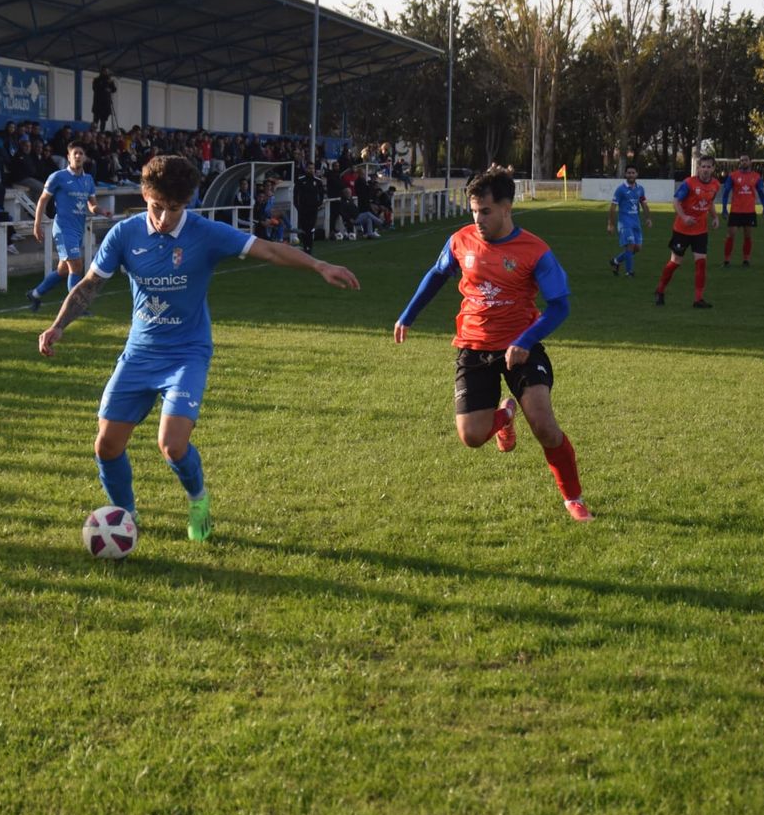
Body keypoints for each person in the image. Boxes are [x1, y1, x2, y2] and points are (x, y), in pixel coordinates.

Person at [36, 154, 359, 540]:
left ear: (187, 203)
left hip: (187, 353)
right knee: (106, 445)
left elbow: (270, 250)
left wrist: (319, 265)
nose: (165, 217)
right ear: (144, 195)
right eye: (157, 207)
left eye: (175, 209)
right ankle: (126, 517)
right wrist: (58, 325)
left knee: (171, 446)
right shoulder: (124, 234)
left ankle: (198, 498)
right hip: (140, 353)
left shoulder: (207, 233)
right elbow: (89, 284)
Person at [393, 166, 591, 523]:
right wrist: (408, 315)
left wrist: (526, 340)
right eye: (473, 211)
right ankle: (504, 416)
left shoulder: (535, 251)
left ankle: (573, 499)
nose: (478, 219)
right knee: (471, 437)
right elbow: (437, 274)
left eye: (485, 211)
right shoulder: (461, 240)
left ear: (506, 207)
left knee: (544, 425)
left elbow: (560, 306)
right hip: (473, 346)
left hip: (521, 347)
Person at [27, 140, 100, 311]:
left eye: (81, 153)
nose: (78, 156)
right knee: (77, 266)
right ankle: (75, 307)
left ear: (85, 157)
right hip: (62, 228)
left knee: (63, 270)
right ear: (68, 157)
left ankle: (36, 294)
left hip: (78, 229)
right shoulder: (58, 177)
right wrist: (37, 224)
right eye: (75, 153)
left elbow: (92, 205)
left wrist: (101, 210)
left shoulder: (88, 180)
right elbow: (43, 200)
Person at [654, 155, 721, 308]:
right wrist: (683, 217)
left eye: (708, 166)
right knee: (676, 262)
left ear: (713, 168)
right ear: (698, 168)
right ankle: (660, 290)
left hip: (700, 230)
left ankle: (698, 299)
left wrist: (715, 217)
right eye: (703, 166)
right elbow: (676, 201)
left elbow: (709, 203)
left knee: (701, 262)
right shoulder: (689, 183)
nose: (705, 169)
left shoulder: (716, 185)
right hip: (682, 230)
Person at [720, 155, 764, 267]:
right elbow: (726, 192)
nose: (743, 162)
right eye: (741, 160)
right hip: (735, 210)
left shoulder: (756, 176)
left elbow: (761, 193)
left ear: (750, 162)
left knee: (748, 236)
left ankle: (746, 260)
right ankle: (726, 260)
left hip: (749, 211)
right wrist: (724, 208)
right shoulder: (733, 176)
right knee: (730, 235)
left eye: (746, 160)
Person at [607, 165, 650, 276]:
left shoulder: (640, 189)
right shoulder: (620, 190)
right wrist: (610, 224)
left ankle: (616, 261)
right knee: (630, 245)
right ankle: (629, 272)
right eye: (629, 173)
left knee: (637, 248)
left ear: (636, 174)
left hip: (636, 222)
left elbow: (644, 204)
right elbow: (612, 207)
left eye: (633, 172)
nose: (631, 175)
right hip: (624, 222)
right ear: (625, 174)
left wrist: (648, 218)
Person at [92, 67, 117, 132]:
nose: (106, 73)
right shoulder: (96, 80)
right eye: (105, 71)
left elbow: (114, 89)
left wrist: (110, 88)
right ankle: (93, 132)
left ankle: (102, 132)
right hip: (98, 104)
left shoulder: (110, 80)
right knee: (96, 120)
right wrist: (105, 86)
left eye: (107, 71)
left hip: (106, 104)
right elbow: (95, 88)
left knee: (103, 121)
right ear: (102, 71)